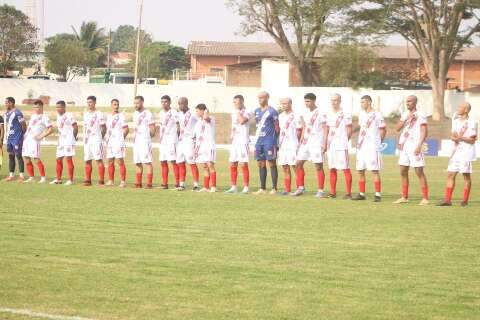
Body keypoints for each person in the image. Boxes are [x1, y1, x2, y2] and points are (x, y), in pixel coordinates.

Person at [438, 102, 477, 207]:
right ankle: (447, 199)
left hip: (466, 153)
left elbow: (472, 140)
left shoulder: (472, 122)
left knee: (466, 176)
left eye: (460, 107)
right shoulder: (455, 121)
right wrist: (454, 138)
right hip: (456, 152)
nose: (458, 108)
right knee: (450, 174)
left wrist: (460, 138)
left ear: (466, 110)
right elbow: (453, 135)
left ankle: (465, 200)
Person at [394, 95, 429, 205]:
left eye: (409, 101)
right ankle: (404, 197)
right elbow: (397, 128)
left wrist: (419, 145)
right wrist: (405, 118)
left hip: (415, 146)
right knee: (403, 171)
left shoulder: (421, 115)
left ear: (415, 102)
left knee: (419, 171)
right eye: (406, 101)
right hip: (405, 146)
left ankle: (425, 198)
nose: (407, 103)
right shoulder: (405, 114)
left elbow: (424, 131)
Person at [352, 95, 386, 202]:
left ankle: (377, 195)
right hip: (362, 146)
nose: (361, 104)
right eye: (361, 102)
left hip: (372, 146)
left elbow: (383, 129)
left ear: (369, 102)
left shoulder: (377, 114)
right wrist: (353, 131)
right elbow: (362, 127)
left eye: (363, 102)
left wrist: (379, 142)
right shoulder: (361, 114)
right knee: (360, 170)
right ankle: (361, 194)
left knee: (374, 170)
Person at [294, 93, 328, 197]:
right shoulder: (304, 113)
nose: (306, 103)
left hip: (316, 142)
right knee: (298, 163)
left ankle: (320, 190)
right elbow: (304, 127)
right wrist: (301, 139)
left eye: (308, 101)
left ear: (314, 101)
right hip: (306, 142)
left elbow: (325, 128)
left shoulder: (320, 113)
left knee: (318, 166)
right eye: (305, 101)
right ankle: (300, 188)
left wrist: (324, 143)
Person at [326, 94, 353, 199]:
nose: (334, 102)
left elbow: (349, 129)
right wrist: (326, 143)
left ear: (340, 101)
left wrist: (345, 141)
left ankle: (348, 193)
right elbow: (327, 130)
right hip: (331, 145)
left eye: (336, 100)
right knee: (332, 168)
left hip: (341, 145)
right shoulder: (328, 114)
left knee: (345, 168)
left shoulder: (345, 114)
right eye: (332, 100)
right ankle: (332, 192)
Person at [253, 91, 280, 195]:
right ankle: (262, 188)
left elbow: (277, 127)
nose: (260, 100)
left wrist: (276, 142)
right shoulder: (256, 111)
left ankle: (274, 188)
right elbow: (257, 125)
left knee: (271, 163)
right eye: (259, 98)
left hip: (269, 141)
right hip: (259, 141)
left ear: (267, 98)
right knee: (260, 163)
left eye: (262, 98)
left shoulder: (272, 111)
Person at [22, 100, 53, 183]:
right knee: (26, 158)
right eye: (34, 107)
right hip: (27, 140)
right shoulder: (33, 116)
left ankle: (43, 178)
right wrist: (25, 136)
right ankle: (31, 177)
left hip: (35, 141)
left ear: (42, 107)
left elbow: (50, 129)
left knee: (36, 158)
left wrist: (41, 136)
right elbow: (29, 127)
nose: (36, 109)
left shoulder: (45, 117)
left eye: (37, 107)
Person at [225, 95, 251, 194]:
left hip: (243, 141)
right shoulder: (233, 112)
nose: (235, 104)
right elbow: (234, 125)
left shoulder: (248, 111)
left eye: (237, 102)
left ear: (242, 102)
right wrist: (231, 136)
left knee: (243, 163)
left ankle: (246, 187)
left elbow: (242, 121)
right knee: (232, 163)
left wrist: (238, 112)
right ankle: (233, 187)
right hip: (235, 141)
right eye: (234, 102)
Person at [276, 98, 302, 195]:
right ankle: (287, 189)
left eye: (285, 103)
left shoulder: (296, 116)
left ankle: (299, 188)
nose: (283, 105)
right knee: (285, 167)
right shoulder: (280, 116)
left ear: (291, 103)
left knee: (295, 166)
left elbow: (299, 130)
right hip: (283, 145)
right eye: (282, 104)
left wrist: (298, 143)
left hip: (293, 144)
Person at [50, 100, 78, 185]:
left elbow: (75, 127)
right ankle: (58, 179)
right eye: (57, 107)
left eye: (59, 107)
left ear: (64, 107)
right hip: (61, 140)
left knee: (68, 159)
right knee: (58, 159)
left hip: (69, 140)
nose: (57, 109)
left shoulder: (69, 115)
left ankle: (70, 180)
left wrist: (73, 137)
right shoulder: (59, 116)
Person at [176, 97, 200, 191]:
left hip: (189, 140)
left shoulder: (193, 114)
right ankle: (182, 184)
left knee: (192, 162)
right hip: (181, 141)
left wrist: (196, 135)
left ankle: (196, 185)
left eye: (181, 104)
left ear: (186, 103)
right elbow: (179, 126)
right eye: (179, 104)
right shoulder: (179, 114)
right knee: (180, 162)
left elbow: (200, 122)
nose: (180, 106)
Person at [83, 96, 106, 186]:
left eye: (91, 102)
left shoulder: (99, 113)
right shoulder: (86, 114)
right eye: (88, 102)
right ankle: (88, 180)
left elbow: (104, 127)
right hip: (87, 140)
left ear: (95, 102)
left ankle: (101, 180)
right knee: (87, 160)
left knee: (98, 159)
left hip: (96, 140)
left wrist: (100, 137)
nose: (89, 104)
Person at [133, 96, 155, 188]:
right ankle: (138, 183)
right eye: (134, 103)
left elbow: (153, 129)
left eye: (137, 103)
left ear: (142, 102)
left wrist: (148, 138)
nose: (135, 105)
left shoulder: (148, 113)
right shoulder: (135, 114)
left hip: (145, 141)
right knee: (137, 162)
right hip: (137, 141)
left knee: (147, 162)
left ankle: (149, 183)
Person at [105, 99, 129, 187]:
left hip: (118, 142)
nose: (116, 106)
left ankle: (123, 181)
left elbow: (126, 129)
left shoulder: (121, 116)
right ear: (111, 105)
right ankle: (111, 181)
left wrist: (121, 139)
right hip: (110, 142)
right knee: (110, 161)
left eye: (117, 104)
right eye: (114, 104)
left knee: (120, 161)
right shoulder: (108, 116)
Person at [158, 95, 180, 189]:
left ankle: (178, 183)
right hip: (163, 141)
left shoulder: (174, 112)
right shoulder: (161, 113)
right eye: (162, 102)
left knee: (173, 161)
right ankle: (164, 183)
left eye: (165, 101)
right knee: (163, 161)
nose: (164, 103)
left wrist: (176, 138)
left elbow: (179, 126)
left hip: (172, 140)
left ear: (169, 102)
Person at [193, 104, 217, 192]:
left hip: (209, 145)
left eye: (198, 110)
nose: (196, 112)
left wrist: (206, 112)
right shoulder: (198, 122)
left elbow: (207, 118)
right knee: (205, 166)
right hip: (201, 147)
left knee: (210, 165)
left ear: (203, 110)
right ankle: (206, 187)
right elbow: (195, 136)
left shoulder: (211, 118)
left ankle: (213, 186)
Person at [3, 97, 26, 182]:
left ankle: (21, 176)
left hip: (17, 138)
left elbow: (23, 124)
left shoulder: (17, 113)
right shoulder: (6, 113)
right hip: (9, 138)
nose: (5, 104)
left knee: (18, 156)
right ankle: (11, 175)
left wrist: (21, 135)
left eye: (6, 102)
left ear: (11, 103)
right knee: (10, 156)